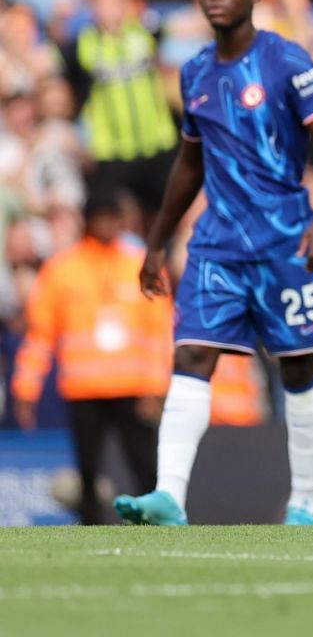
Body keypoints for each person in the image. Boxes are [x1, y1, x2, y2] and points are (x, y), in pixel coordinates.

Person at [114, 0, 313, 528]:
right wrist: (154, 241)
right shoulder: (194, 71)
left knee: (297, 369)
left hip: (285, 242)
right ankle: (168, 496)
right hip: (216, 244)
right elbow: (188, 165)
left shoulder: (284, 60)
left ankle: (303, 502)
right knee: (192, 354)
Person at [9, 195, 170, 524]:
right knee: (88, 469)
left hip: (133, 386)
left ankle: (154, 523)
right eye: (102, 218)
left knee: (145, 465)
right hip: (84, 387)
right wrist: (26, 387)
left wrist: (157, 385)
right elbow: (40, 334)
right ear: (88, 221)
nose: (108, 225)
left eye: (113, 218)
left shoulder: (139, 263)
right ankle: (91, 527)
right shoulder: (63, 269)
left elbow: (160, 330)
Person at [67, 0, 177, 221]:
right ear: (93, 7)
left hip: (157, 143)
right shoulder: (81, 44)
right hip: (111, 150)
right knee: (117, 218)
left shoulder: (145, 32)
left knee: (169, 213)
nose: (110, 8)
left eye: (115, 0)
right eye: (102, 2)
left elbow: (189, 25)